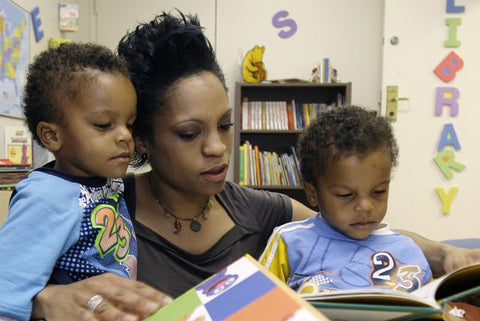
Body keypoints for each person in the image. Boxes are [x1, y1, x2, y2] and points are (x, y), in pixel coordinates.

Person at [31, 11, 480, 321]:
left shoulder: (257, 210)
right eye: (190, 134)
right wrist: (46, 299)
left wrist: (445, 254)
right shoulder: (96, 207)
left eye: (225, 125)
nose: (217, 148)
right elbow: (18, 275)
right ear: (142, 138)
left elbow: (360, 225)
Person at [0, 43, 140, 321]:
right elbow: (6, 293)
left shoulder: (105, 179)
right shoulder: (46, 196)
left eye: (130, 123)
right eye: (104, 125)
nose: (125, 136)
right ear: (52, 136)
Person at [260, 106, 433, 294]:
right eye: (346, 195)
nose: (365, 206)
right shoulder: (290, 241)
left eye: (378, 191)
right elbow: (254, 305)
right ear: (312, 193)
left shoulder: (407, 249)